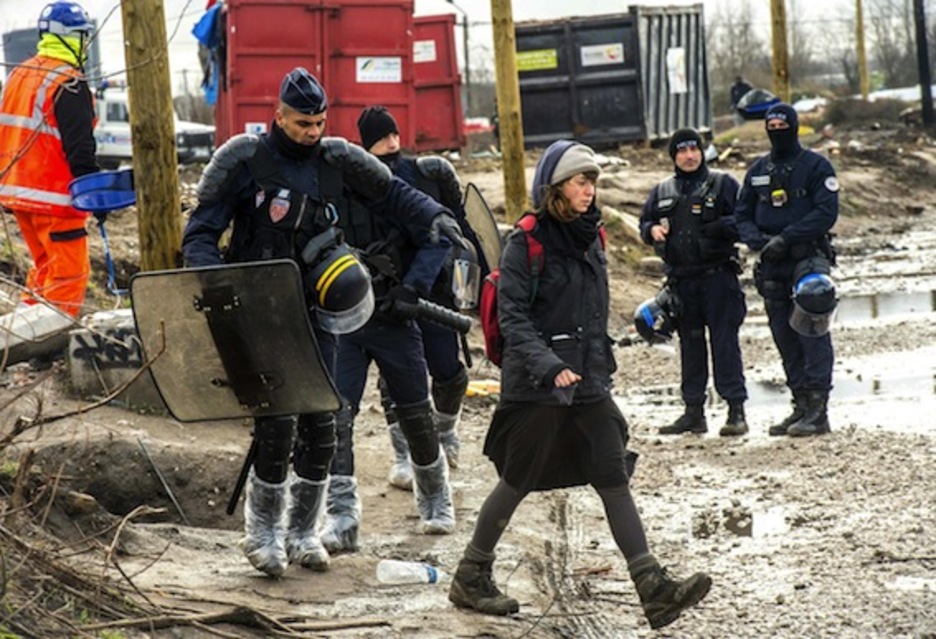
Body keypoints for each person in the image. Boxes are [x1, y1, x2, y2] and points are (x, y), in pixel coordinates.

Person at [182, 67, 465, 576]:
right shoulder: (243, 160)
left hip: (320, 308)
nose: (312, 133)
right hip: (260, 307)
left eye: (318, 122)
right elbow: (201, 230)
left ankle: (302, 532)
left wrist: (435, 218)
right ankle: (262, 533)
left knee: (323, 421)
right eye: (302, 124)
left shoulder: (338, 158)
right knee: (277, 422)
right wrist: (213, 280)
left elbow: (396, 195)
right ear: (279, 115)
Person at [448, 140, 712, 630]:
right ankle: (471, 573)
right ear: (555, 188)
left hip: (588, 380)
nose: (589, 190)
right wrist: (549, 367)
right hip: (537, 385)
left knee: (612, 474)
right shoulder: (524, 241)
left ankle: (651, 587)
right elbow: (513, 320)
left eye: (592, 181)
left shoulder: (593, 236)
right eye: (579, 181)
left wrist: (600, 360)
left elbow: (592, 311)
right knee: (518, 479)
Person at [316, 107, 466, 554]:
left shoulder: (398, 192)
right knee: (337, 418)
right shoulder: (327, 196)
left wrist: (412, 287)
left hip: (395, 319)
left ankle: (437, 502)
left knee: (417, 413)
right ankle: (341, 518)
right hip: (344, 322)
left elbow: (437, 235)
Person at [356, 105, 476, 490]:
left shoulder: (427, 177)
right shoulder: (359, 184)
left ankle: (446, 434)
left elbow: (454, 235)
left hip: (433, 292)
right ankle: (405, 455)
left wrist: (459, 284)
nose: (390, 143)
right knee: (397, 381)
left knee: (448, 372)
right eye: (380, 139)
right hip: (387, 298)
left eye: (393, 135)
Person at [735, 103, 838, 437]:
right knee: (783, 333)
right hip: (772, 261)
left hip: (807, 256)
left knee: (811, 329)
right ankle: (800, 404)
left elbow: (826, 213)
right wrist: (757, 241)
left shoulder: (816, 166)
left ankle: (819, 410)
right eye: (772, 124)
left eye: (782, 123)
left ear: (793, 126)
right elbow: (742, 214)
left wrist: (787, 237)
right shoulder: (758, 171)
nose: (777, 128)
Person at [639, 128, 748, 436]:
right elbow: (644, 221)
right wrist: (651, 231)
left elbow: (745, 219)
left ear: (702, 152)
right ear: (674, 156)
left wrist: (719, 228)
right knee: (690, 345)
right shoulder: (662, 190)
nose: (689, 156)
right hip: (682, 283)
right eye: (682, 151)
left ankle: (736, 411)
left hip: (718, 278)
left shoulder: (723, 184)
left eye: (694, 150)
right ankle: (693, 412)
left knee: (725, 344)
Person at [0, 2, 99, 317]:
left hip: (19, 195)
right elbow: (80, 150)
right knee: (68, 276)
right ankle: (51, 344)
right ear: (72, 37)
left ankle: (25, 337)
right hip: (55, 198)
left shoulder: (20, 74)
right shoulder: (69, 82)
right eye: (84, 36)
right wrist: (95, 193)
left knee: (45, 271)